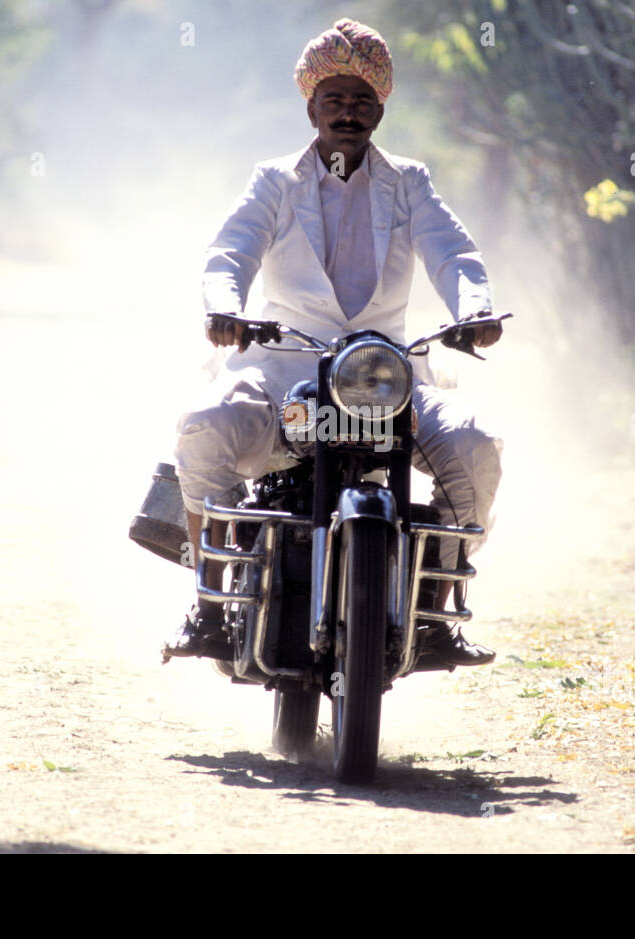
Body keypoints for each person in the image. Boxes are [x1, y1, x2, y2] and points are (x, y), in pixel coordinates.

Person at [164, 18, 503, 667]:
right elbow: (228, 253)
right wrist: (225, 308)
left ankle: (435, 601)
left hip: (384, 373)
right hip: (280, 371)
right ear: (310, 104)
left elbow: (455, 254)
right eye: (335, 99)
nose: (349, 113)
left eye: (363, 100)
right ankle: (206, 605)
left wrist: (476, 309)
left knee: (475, 447)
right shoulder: (274, 181)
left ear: (381, 106)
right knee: (205, 426)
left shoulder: (409, 182)